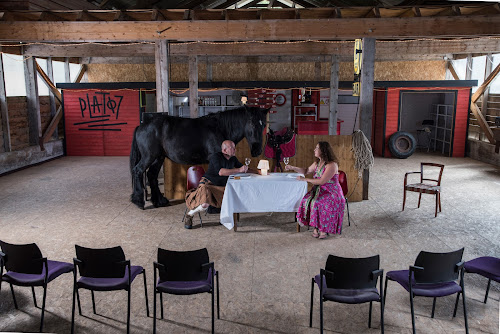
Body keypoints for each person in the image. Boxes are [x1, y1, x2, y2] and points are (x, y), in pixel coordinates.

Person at [285, 141, 345, 239]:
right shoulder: (317, 162)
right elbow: (306, 171)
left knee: (319, 202)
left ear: (323, 151)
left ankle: (323, 230)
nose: (314, 150)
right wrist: (292, 167)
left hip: (332, 192)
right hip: (319, 190)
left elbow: (321, 181)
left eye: (317, 148)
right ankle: (316, 227)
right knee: (305, 200)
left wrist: (304, 179)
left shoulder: (332, 165)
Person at [184, 140, 248, 229]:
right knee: (204, 205)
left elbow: (243, 169)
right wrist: (239, 170)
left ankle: (226, 218)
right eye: (232, 148)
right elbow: (221, 172)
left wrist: (258, 171)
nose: (235, 149)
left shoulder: (233, 158)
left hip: (220, 186)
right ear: (225, 150)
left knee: (232, 195)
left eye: (234, 147)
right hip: (208, 183)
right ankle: (189, 215)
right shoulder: (216, 157)